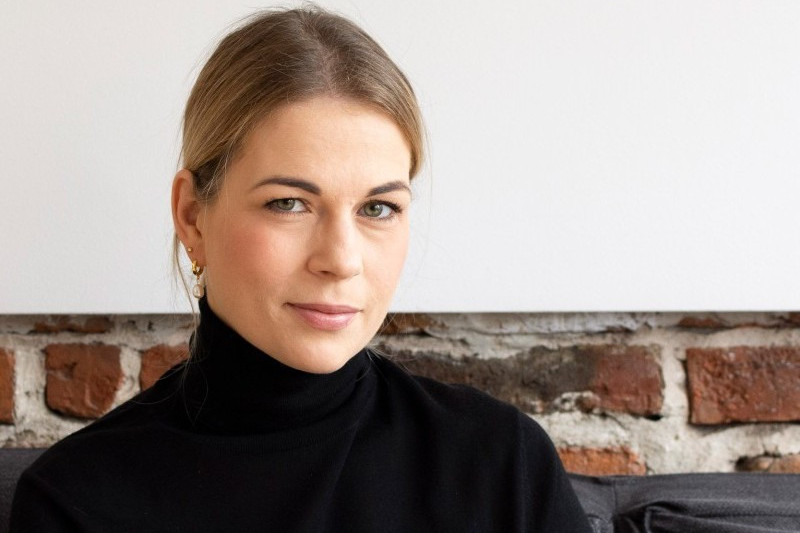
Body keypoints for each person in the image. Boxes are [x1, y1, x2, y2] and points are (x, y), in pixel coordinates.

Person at [10, 7, 592, 532]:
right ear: (192, 217)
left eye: (378, 208)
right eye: (288, 203)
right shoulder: (75, 502)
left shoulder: (502, 465)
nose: (340, 259)